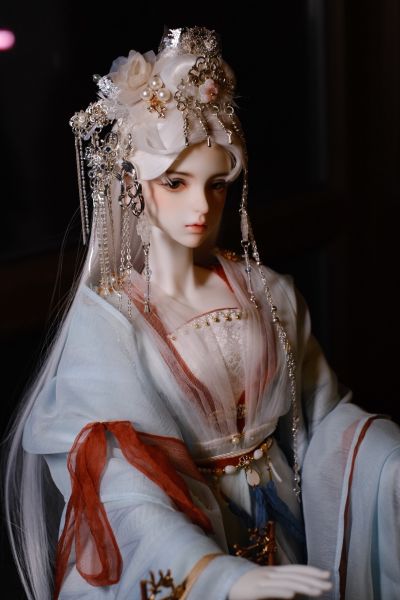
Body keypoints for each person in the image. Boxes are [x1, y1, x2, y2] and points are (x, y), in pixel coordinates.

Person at [3, 25, 400, 600]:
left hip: (287, 531)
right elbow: (118, 484)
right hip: (187, 539)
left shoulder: (268, 292)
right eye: (176, 182)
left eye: (217, 185)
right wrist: (212, 575)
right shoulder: (113, 320)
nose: (201, 206)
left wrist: (387, 463)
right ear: (137, 184)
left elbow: (321, 418)